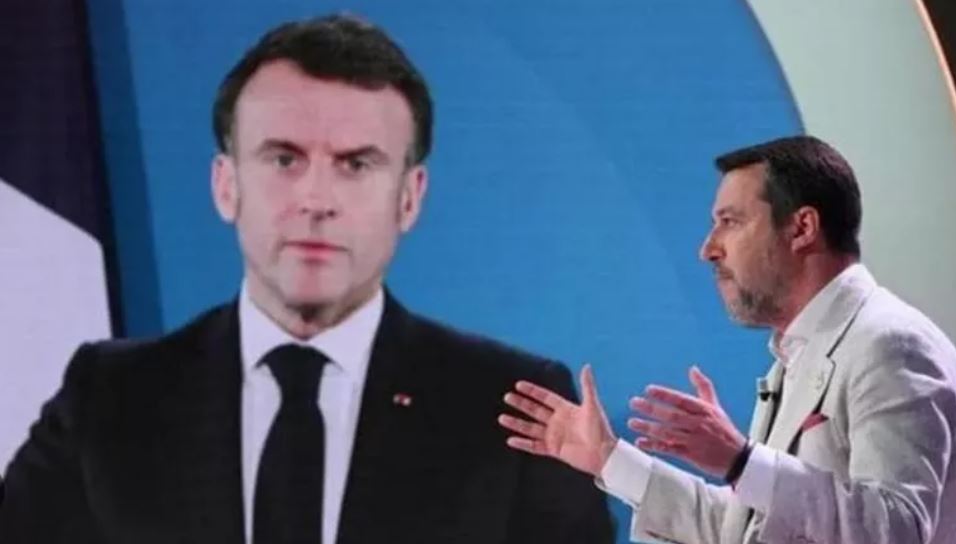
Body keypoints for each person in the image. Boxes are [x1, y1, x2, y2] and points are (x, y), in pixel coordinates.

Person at [0, 14, 614, 544]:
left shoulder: (513, 409)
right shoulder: (109, 398)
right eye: (284, 158)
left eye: (356, 164)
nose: (316, 199)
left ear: (409, 197)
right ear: (226, 184)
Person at [500, 135, 956, 544]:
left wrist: (741, 461)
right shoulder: (800, 354)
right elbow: (745, 530)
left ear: (802, 228)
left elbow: (897, 530)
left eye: (731, 221)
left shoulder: (890, 345)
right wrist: (611, 460)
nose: (708, 248)